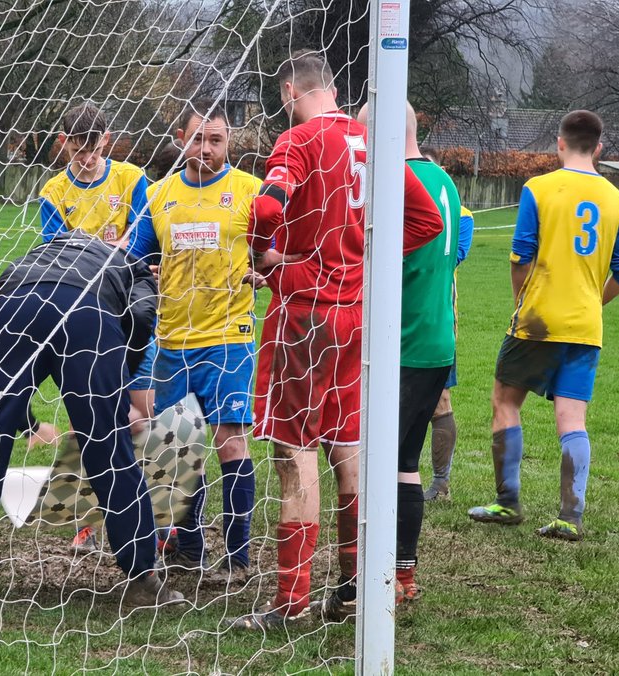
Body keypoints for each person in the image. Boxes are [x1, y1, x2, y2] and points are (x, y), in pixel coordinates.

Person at [231, 52, 442, 630]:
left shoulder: (296, 140)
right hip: (358, 321)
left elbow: (266, 207)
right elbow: (427, 223)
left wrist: (269, 261)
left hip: (305, 317)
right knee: (349, 451)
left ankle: (290, 601)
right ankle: (352, 590)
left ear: (287, 91)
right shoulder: (370, 139)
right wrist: (363, 265)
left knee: (294, 456)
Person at [0, 230, 183, 609]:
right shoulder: (134, 266)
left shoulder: (35, 254)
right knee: (107, 446)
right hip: (86, 313)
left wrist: (24, 421)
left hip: (17, 300)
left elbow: (1, 300)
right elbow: (141, 315)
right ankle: (143, 579)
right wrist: (121, 381)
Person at [468, 110, 619, 542]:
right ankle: (570, 516)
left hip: (538, 321)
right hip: (585, 325)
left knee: (505, 401)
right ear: (598, 148)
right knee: (572, 417)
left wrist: (522, 300)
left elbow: (521, 255)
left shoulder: (539, 188)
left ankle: (507, 502)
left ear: (559, 143)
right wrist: (592, 301)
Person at [126, 99, 262, 582]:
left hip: (228, 336)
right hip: (172, 339)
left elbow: (277, 248)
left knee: (229, 442)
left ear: (230, 143)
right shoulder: (159, 195)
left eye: (216, 139)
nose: (205, 147)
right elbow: (134, 257)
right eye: (198, 138)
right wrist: (143, 268)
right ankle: (188, 550)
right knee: (178, 449)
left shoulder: (250, 191)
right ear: (181, 139)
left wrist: (262, 269)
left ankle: (239, 556)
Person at [38, 102, 153, 552]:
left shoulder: (130, 178)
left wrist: (114, 260)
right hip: (84, 318)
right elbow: (54, 249)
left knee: (144, 414)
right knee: (90, 420)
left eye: (92, 147)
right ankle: (85, 526)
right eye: (76, 148)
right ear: (65, 142)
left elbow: (144, 236)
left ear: (106, 140)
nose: (84, 157)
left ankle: (156, 522)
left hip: (133, 309)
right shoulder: (54, 190)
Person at [361, 102, 458, 603]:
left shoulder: (391, 181)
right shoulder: (446, 180)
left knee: (378, 461)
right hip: (437, 339)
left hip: (401, 341)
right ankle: (403, 573)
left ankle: (383, 575)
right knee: (404, 460)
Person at [424, 204, 475, 501]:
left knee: (439, 400)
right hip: (385, 321)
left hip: (436, 320)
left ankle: (441, 483)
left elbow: (449, 258)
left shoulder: (462, 215)